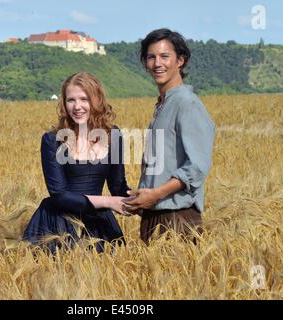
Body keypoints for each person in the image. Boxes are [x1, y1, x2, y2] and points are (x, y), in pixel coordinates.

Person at [122, 28, 215, 244]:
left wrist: (156, 194)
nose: (157, 63)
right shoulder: (164, 104)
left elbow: (198, 167)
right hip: (153, 215)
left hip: (177, 218)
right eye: (151, 57)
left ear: (180, 61)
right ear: (145, 63)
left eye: (165, 56)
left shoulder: (187, 103)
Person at [23, 72, 130, 254]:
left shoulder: (113, 136)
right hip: (57, 224)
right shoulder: (52, 140)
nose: (77, 106)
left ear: (96, 100)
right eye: (71, 100)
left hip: (98, 226)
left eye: (84, 99)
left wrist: (143, 201)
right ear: (64, 104)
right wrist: (108, 202)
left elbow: (118, 186)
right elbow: (59, 195)